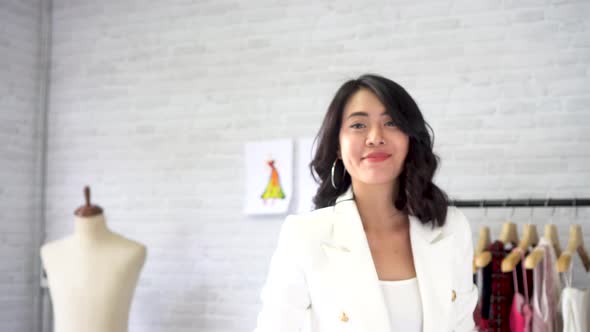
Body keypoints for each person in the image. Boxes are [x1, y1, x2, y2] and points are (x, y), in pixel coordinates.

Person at [253, 74, 477, 332]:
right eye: (358, 125)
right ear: (338, 145)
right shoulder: (304, 236)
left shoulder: (451, 228)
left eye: (391, 122)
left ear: (410, 140)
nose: (375, 137)